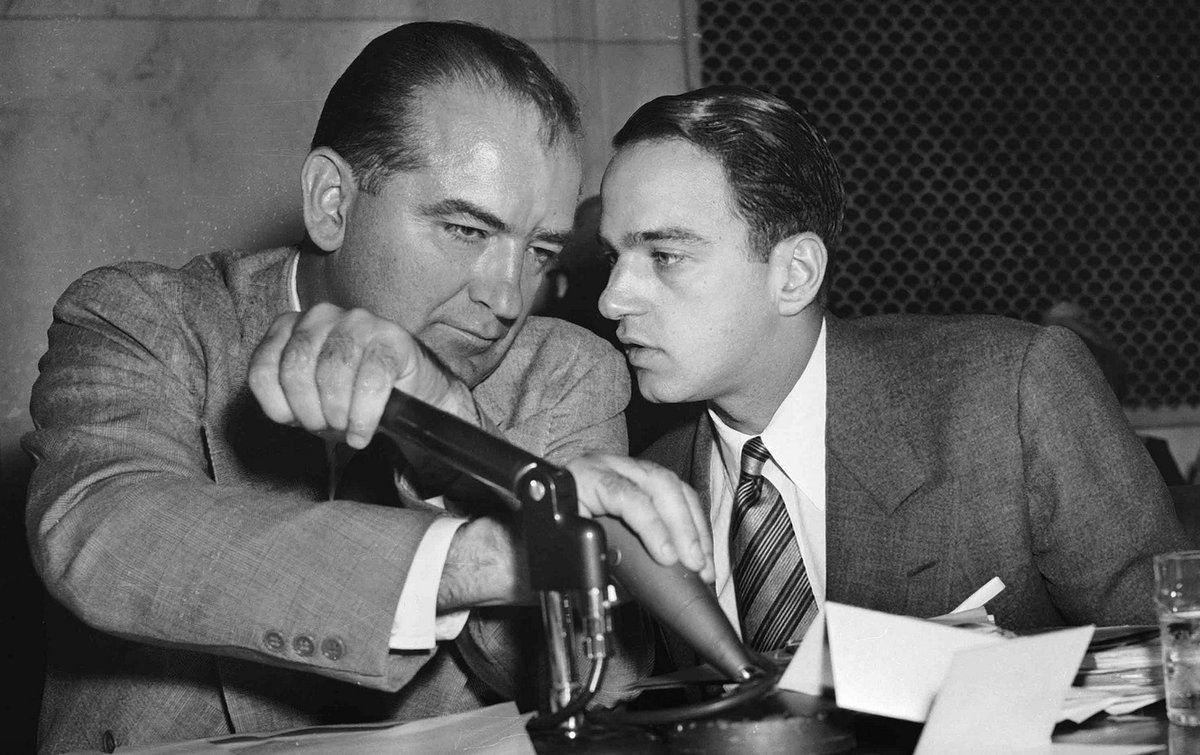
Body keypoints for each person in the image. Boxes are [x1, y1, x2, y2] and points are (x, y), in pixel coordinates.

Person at [23, 22, 712, 754]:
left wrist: (453, 445)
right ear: (331, 202)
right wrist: (490, 555)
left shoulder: (565, 372)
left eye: (539, 250)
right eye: (466, 230)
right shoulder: (146, 317)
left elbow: (601, 691)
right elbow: (104, 534)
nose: (508, 297)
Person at [595, 85, 1190, 666]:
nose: (612, 299)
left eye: (665, 256)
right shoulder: (651, 484)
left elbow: (1176, 654)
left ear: (795, 273)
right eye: (612, 258)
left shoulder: (1009, 394)